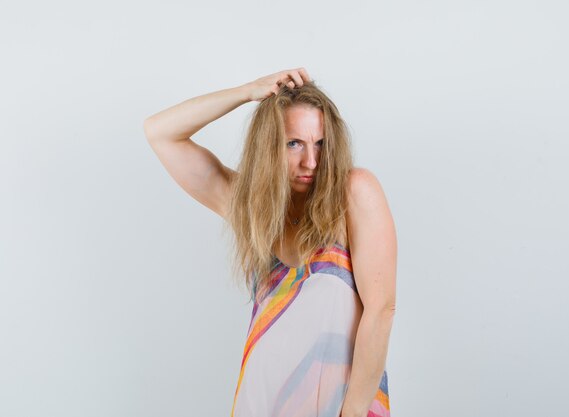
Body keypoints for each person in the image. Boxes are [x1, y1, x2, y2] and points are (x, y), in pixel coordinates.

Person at [143, 68, 397, 417]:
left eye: (321, 144)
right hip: (261, 402)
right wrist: (247, 91)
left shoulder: (353, 193)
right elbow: (160, 132)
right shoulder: (252, 208)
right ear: (269, 145)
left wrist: (351, 413)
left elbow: (381, 310)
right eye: (294, 143)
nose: (311, 161)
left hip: (343, 406)